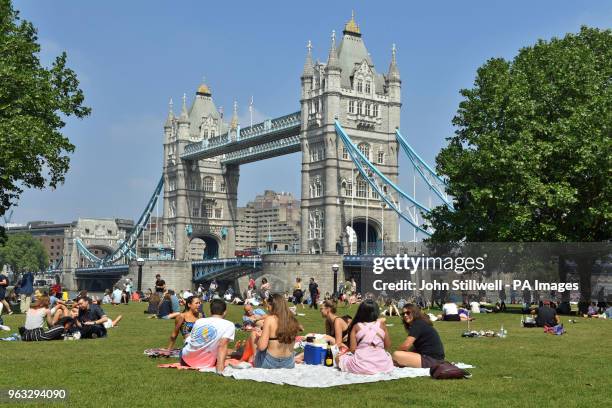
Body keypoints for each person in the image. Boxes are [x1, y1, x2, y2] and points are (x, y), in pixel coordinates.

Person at [337, 299, 394, 375]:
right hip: (383, 365)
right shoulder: (382, 325)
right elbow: (387, 345)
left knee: (338, 358)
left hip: (362, 365)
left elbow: (353, 349)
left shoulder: (356, 326)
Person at [180, 299, 235, 372]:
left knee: (190, 338)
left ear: (210, 311)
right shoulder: (229, 325)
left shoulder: (199, 321)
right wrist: (220, 370)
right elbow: (222, 346)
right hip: (206, 363)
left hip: (185, 360)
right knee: (223, 350)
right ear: (225, 312)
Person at [252, 294, 301, 369]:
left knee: (254, 334)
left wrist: (258, 338)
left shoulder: (270, 319)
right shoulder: (293, 320)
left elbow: (261, 347)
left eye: (268, 307)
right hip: (289, 363)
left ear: (274, 306)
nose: (268, 310)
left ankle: (253, 358)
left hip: (270, 363)